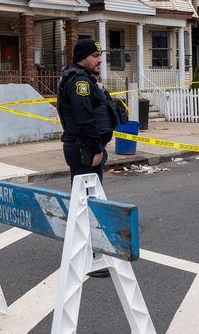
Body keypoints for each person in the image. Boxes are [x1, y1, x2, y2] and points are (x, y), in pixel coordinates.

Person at [57, 39, 126, 279]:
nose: (100, 60)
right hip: (84, 149)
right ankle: (89, 258)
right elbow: (84, 118)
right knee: (87, 204)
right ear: (83, 57)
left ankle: (87, 253)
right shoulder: (80, 83)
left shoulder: (81, 78)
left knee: (84, 202)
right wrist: (96, 148)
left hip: (83, 148)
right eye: (96, 55)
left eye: (100, 55)